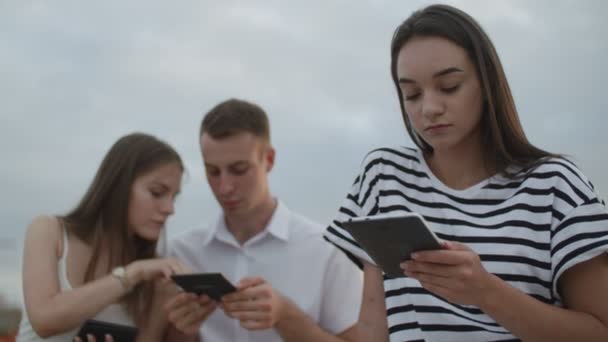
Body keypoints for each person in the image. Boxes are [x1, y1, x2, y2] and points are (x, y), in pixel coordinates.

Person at [324, 4, 608, 342]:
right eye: (411, 94)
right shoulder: (383, 177)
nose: (429, 108)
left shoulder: (555, 186)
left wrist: (485, 292)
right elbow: (374, 330)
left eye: (449, 86)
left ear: (486, 85)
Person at [162, 99, 363, 341]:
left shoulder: (328, 249)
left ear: (269, 159)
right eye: (213, 171)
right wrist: (181, 330)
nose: (224, 187)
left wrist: (285, 316)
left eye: (239, 169)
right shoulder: (180, 253)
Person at [17, 133, 190, 342]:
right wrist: (131, 274)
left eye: (174, 197)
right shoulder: (49, 230)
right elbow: (44, 320)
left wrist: (186, 327)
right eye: (157, 192)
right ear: (119, 185)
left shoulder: (155, 275)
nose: (170, 208)